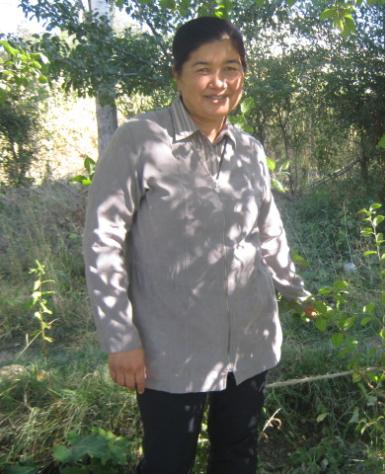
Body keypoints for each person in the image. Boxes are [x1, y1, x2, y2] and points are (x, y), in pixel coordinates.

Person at [83, 16, 311, 473]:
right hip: (170, 347)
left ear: (243, 75)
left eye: (231, 68)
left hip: (249, 343)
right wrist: (120, 337)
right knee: (168, 461)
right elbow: (103, 240)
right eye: (203, 68)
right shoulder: (140, 141)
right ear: (177, 74)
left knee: (238, 456)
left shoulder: (249, 150)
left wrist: (298, 292)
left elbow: (268, 231)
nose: (218, 82)